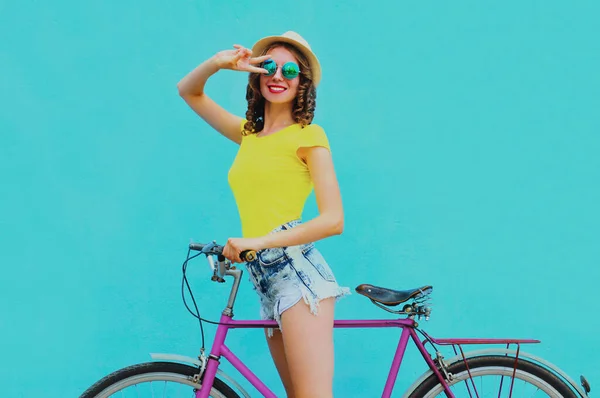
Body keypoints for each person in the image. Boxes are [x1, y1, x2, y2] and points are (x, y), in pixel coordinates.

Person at [177, 31, 350, 398]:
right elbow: (188, 91)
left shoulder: (309, 136)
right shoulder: (249, 135)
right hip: (265, 278)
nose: (278, 76)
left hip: (298, 279)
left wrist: (261, 240)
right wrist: (220, 63)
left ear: (302, 82)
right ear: (255, 75)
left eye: (290, 70)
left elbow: (333, 220)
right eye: (269, 66)